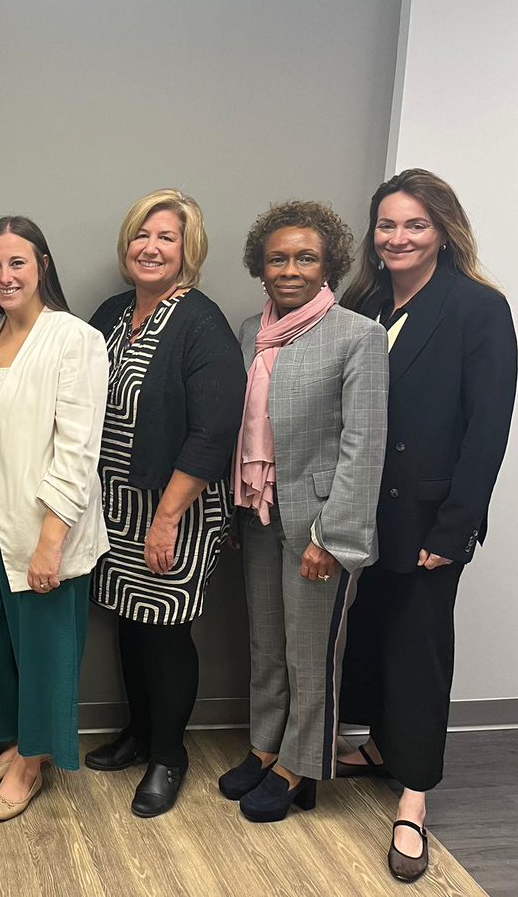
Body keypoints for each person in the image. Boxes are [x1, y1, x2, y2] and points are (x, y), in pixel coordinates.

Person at [338, 170, 517, 882]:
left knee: (418, 650)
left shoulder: (478, 308)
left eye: (414, 224)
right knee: (371, 635)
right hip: (363, 511)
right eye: (387, 225)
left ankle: (414, 797)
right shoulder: (366, 302)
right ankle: (380, 747)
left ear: (442, 228)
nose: (398, 237)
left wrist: (453, 529)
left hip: (427, 516)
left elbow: (488, 431)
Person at [218, 200, 388, 823]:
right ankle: (266, 748)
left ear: (329, 265)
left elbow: (363, 445)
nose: (290, 268)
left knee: (311, 652)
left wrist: (334, 536)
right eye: (278, 258)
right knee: (266, 642)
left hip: (321, 524)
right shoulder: (247, 332)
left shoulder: (358, 336)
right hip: (260, 513)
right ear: (261, 268)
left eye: (305, 257)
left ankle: (301, 767)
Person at [0, 215, 108, 822]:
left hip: (40, 513)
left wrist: (51, 542)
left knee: (42, 640)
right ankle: (15, 738)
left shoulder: (74, 338)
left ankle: (34, 761)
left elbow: (78, 449)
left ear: (42, 265)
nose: (5, 275)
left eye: (17, 263)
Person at [84, 189, 245, 817]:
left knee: (165, 628)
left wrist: (168, 517)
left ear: (188, 250)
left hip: (175, 505)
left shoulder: (200, 322)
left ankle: (169, 755)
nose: (151, 248)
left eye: (167, 238)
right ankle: (139, 732)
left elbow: (213, 432)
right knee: (128, 620)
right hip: (116, 502)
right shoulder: (111, 313)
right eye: (141, 236)